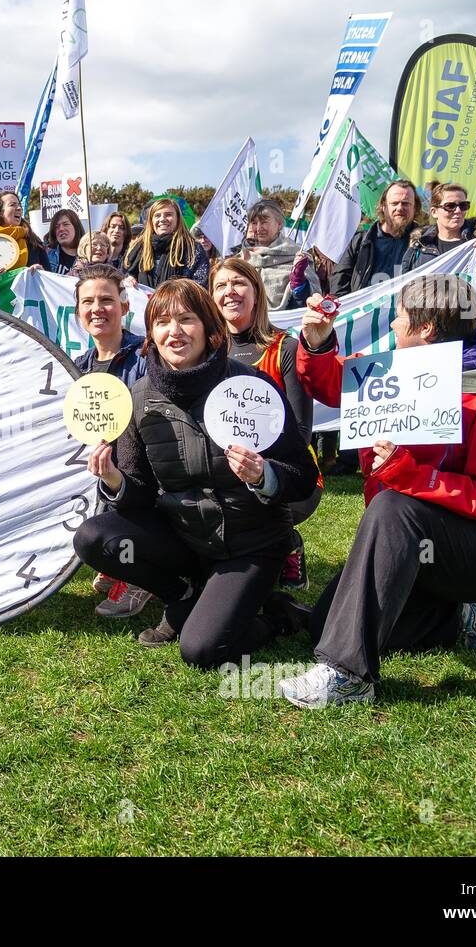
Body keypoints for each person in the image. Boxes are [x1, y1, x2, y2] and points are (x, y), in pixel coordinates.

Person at [277, 275, 476, 707]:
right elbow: (331, 384)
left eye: (399, 317)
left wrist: (411, 476)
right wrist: (317, 342)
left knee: (395, 506)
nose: (393, 326)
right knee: (326, 623)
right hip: (415, 541)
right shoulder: (395, 367)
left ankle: (348, 675)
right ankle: (456, 618)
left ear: (426, 328)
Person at [72, 278, 317, 664]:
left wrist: (263, 476)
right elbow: (138, 496)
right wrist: (115, 481)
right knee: (92, 537)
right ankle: (182, 597)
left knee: (203, 649)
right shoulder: (139, 397)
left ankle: (282, 616)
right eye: (163, 323)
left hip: (250, 545)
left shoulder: (250, 385)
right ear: (150, 334)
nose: (175, 332)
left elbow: (302, 477)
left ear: (209, 328)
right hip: (186, 540)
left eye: (186, 319)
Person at [211, 257, 323, 592]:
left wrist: (259, 467)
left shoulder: (285, 347)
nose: (230, 292)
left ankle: (288, 544)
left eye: (238, 283)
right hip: (222, 471)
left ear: (257, 293)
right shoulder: (208, 353)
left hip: (287, 473)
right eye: (220, 286)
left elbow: (302, 430)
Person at [70, 264, 151, 618]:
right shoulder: (76, 366)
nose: (97, 309)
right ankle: (120, 557)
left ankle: (141, 575)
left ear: (125, 307)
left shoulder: (146, 357)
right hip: (103, 476)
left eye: (106, 300)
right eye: (88, 301)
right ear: (78, 312)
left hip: (143, 478)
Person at [401, 182, 476, 329]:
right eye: (450, 206)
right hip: (432, 332)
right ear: (434, 211)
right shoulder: (420, 246)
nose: (458, 211)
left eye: (463, 205)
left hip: (474, 331)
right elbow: (405, 291)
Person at [331, 179, 421, 295]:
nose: (400, 208)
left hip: (405, 311)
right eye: (394, 203)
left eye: (406, 203)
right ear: (383, 206)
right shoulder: (360, 241)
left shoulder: (424, 243)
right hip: (365, 311)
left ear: (414, 208)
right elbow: (339, 282)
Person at [233, 199, 318, 310]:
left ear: (279, 224)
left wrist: (299, 285)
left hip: (285, 324)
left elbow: (307, 302)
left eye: (264, 222)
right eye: (254, 223)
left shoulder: (297, 257)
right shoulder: (241, 259)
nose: (258, 228)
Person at [124, 197, 209, 290]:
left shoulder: (193, 249)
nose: (162, 219)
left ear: (178, 219)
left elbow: (200, 287)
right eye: (157, 216)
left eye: (168, 215)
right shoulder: (138, 248)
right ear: (151, 221)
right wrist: (129, 279)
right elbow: (124, 274)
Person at [45, 208, 85, 274]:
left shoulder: (89, 256)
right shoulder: (46, 253)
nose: (61, 229)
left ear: (76, 227)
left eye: (66, 224)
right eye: (56, 227)